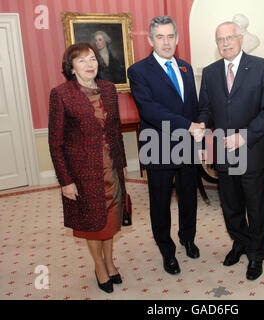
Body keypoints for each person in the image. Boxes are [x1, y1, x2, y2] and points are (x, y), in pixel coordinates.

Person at [196, 21, 264, 280]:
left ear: (241, 38)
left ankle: (256, 254)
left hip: (251, 150)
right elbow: (206, 109)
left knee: (256, 207)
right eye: (220, 39)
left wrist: (244, 137)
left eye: (230, 37)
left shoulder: (262, 67)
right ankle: (240, 242)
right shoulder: (209, 72)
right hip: (222, 152)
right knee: (230, 206)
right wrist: (201, 126)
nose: (225, 43)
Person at [49, 43, 129, 293]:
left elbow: (115, 131)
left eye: (92, 59)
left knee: (111, 221)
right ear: (71, 68)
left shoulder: (108, 89)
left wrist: (122, 166)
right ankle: (99, 267)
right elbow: (55, 142)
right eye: (81, 61)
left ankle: (110, 262)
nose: (89, 64)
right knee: (93, 224)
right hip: (83, 173)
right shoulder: (61, 94)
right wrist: (65, 181)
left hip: (111, 168)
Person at [127, 16, 202, 275]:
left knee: (189, 197)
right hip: (157, 145)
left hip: (188, 145)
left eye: (170, 36)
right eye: (160, 36)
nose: (166, 41)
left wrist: (199, 128)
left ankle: (187, 238)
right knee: (160, 203)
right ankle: (167, 251)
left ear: (177, 39)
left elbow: (192, 105)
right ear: (150, 40)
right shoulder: (138, 71)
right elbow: (150, 110)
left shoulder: (185, 67)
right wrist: (188, 125)